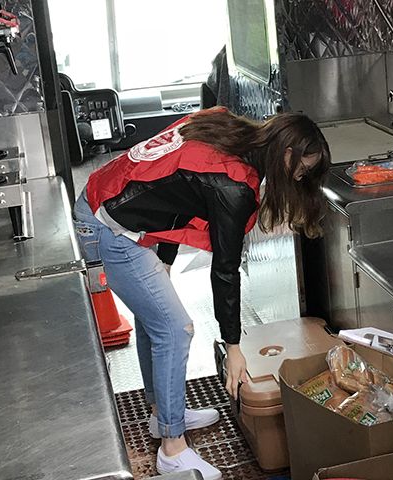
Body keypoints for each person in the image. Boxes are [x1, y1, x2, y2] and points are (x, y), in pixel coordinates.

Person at [73, 107, 330, 480]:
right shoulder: (234, 186)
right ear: (286, 152)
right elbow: (224, 270)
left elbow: (176, 191)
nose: (299, 177)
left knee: (156, 321)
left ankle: (164, 414)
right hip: (109, 225)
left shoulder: (225, 125)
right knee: (176, 329)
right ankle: (172, 450)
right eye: (301, 169)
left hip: (107, 199)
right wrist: (234, 348)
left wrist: (165, 259)